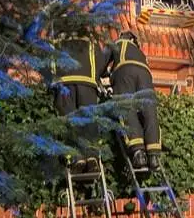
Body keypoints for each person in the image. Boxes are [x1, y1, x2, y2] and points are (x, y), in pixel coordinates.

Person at [95, 30, 162, 171]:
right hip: (145, 75)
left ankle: (139, 154)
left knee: (127, 109)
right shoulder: (140, 53)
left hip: (125, 73)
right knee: (149, 111)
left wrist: (103, 77)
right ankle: (154, 155)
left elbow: (100, 64)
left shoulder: (117, 43)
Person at [50, 34, 105, 173]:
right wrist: (95, 78)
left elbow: (49, 64)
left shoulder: (56, 41)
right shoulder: (91, 41)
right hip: (87, 83)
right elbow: (100, 62)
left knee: (69, 119)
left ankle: (77, 157)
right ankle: (91, 157)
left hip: (64, 84)